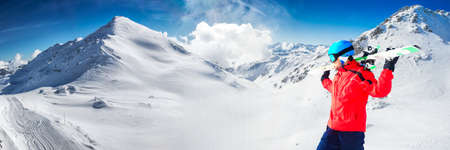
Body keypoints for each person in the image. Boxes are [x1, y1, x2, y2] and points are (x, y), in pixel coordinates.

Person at [316, 40, 399, 150]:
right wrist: (324, 79)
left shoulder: (361, 75)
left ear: (343, 57)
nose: (331, 62)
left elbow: (380, 90)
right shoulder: (340, 74)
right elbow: (335, 90)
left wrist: (388, 67)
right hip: (331, 129)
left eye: (332, 58)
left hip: (351, 133)